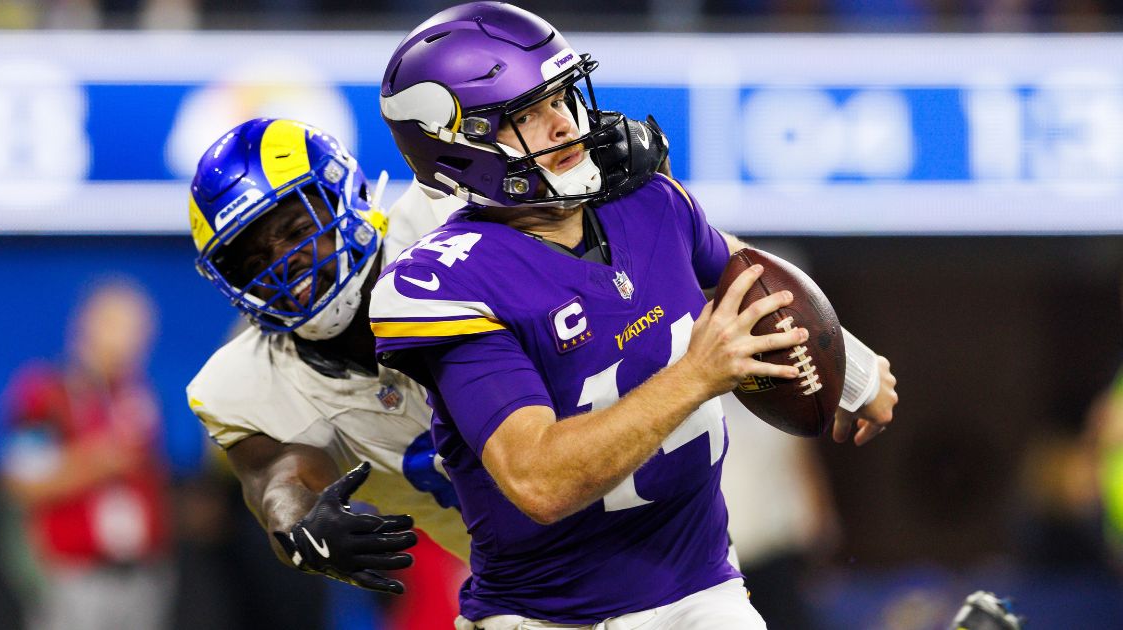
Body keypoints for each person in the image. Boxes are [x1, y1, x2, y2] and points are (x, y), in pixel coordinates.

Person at [369, 3, 898, 628]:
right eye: (525, 115)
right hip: (544, 617)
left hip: (702, 596)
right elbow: (538, 482)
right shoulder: (443, 282)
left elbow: (749, 276)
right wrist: (696, 377)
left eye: (561, 99)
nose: (562, 125)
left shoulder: (652, 203)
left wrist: (854, 375)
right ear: (457, 146)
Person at [184, 114, 669, 595]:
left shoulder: (452, 215)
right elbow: (280, 480)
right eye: (253, 261)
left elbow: (623, 241)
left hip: (662, 536)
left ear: (344, 197)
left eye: (294, 230)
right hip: (528, 598)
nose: (282, 264)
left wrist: (619, 172)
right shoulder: (247, 383)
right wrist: (300, 526)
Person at [0, 279, 174, 630]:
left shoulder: (138, 394)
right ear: (91, 327)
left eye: (143, 332)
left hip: (144, 575)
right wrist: (95, 463)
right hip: (75, 576)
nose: (137, 343)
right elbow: (22, 482)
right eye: (127, 329)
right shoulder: (47, 393)